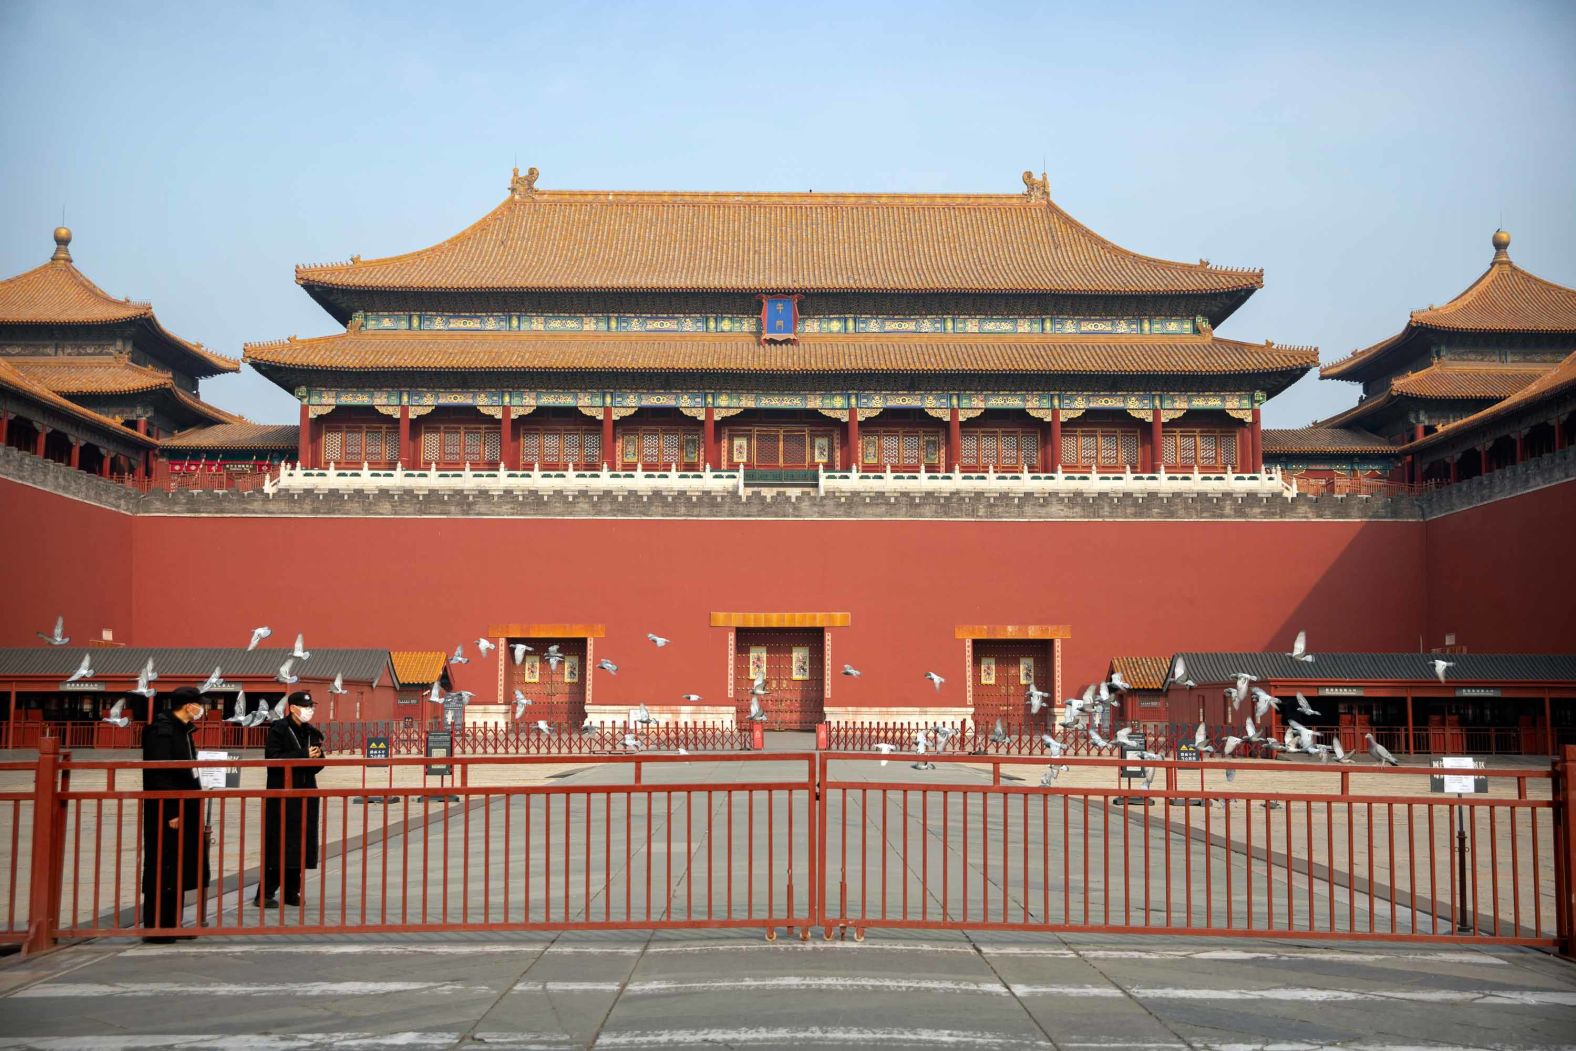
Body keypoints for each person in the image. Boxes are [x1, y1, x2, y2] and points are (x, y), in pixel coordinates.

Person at [141, 686, 209, 943]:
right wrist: (172, 810)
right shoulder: (162, 731)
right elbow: (160, 775)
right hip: (167, 809)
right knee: (164, 864)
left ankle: (173, 923)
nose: (201, 709)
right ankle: (157, 927)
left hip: (185, 805)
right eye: (198, 704)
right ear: (187, 705)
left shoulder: (182, 729)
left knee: (179, 865)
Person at [258, 690, 324, 907]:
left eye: (311, 707)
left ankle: (292, 891)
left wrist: (317, 757)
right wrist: (303, 755)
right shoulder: (279, 729)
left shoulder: (310, 731)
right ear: (293, 708)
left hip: (305, 793)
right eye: (305, 707)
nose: (309, 711)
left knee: (301, 844)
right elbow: (273, 758)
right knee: (280, 843)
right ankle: (266, 893)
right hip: (282, 795)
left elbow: (318, 765)